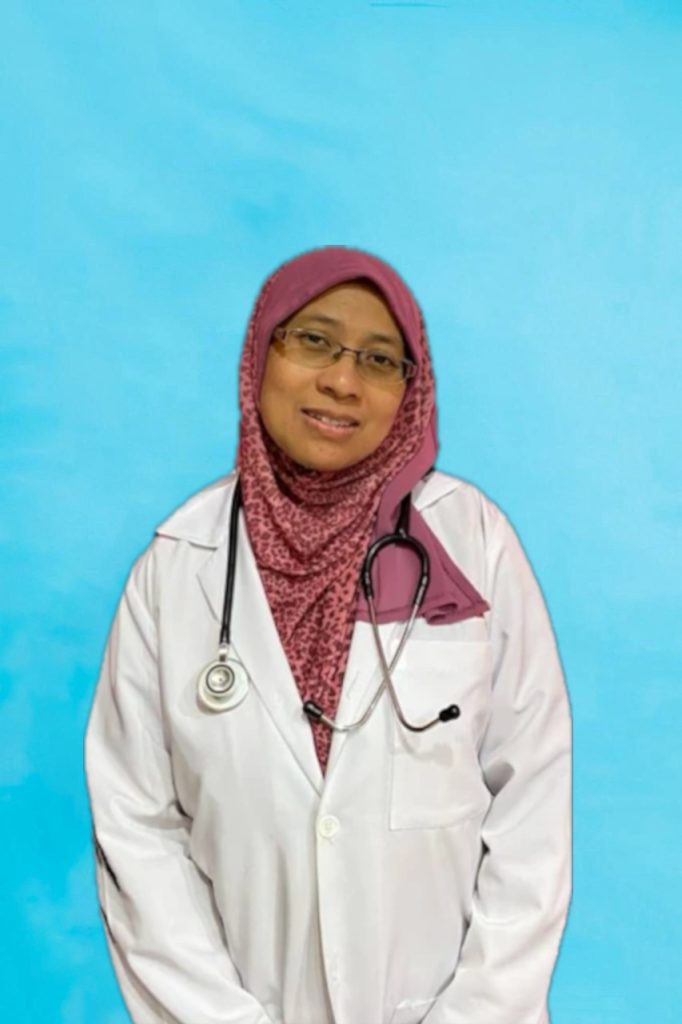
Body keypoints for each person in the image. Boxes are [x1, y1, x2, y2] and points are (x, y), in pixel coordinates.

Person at [84, 245, 572, 1024]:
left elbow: (533, 803)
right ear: (260, 351)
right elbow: (138, 827)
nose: (342, 381)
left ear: (410, 393)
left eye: (380, 359)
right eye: (312, 340)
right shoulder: (178, 567)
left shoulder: (474, 541)